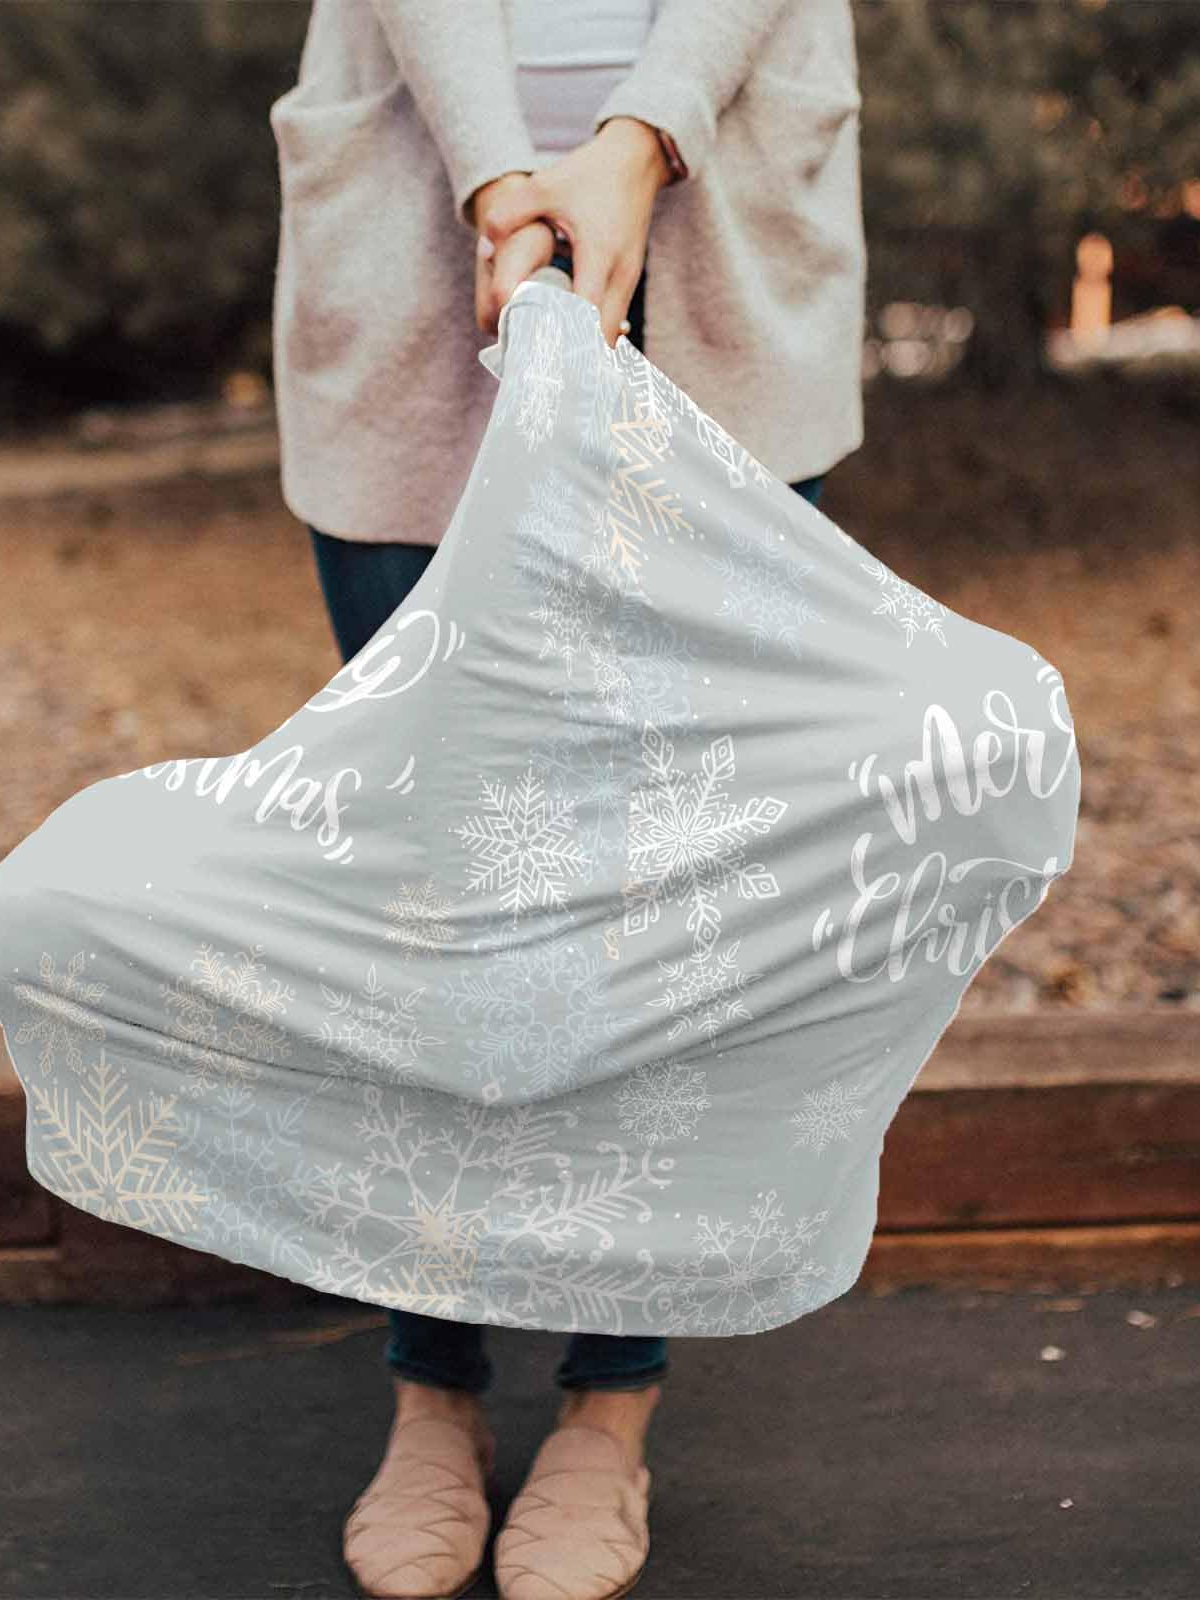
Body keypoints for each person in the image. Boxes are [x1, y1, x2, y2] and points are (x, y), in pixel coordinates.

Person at [268, 4, 865, 1596]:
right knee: (434, 875)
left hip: (721, 218)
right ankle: (432, 1386)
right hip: (417, 221)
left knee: (665, 881)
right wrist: (496, 178)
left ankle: (611, 1401)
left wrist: (638, 137)